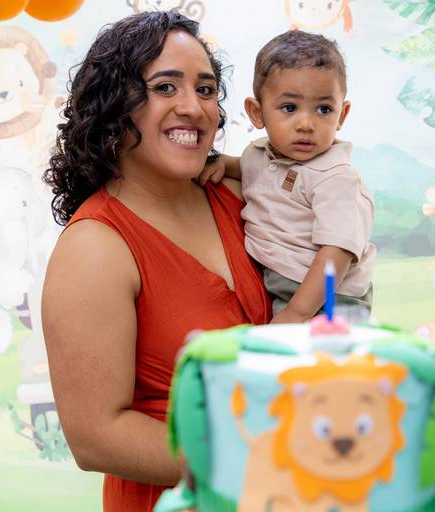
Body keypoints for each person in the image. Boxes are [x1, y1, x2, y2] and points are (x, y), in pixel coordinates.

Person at [40, 11, 271, 512]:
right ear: (112, 107)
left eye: (206, 90)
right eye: (166, 87)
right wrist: (257, 464)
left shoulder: (243, 199)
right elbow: (96, 437)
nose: (193, 107)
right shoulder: (95, 247)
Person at [199, 30, 376, 324]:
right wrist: (221, 164)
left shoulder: (337, 179)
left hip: (328, 296)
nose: (306, 124)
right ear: (257, 113)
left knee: (324, 352)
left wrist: (298, 312)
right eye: (289, 108)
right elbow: (246, 167)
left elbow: (337, 253)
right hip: (282, 282)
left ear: (342, 115)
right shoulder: (258, 155)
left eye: (323, 109)